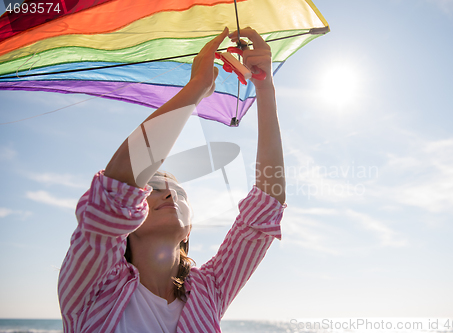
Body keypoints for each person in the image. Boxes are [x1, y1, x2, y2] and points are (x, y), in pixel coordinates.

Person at [58, 27, 286, 333]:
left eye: (179, 192)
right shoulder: (93, 286)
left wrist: (265, 87)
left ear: (189, 228)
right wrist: (197, 87)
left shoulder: (210, 290)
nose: (169, 196)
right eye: (151, 188)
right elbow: (118, 187)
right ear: (128, 219)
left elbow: (265, 208)